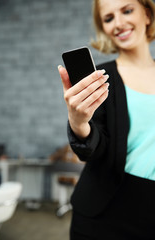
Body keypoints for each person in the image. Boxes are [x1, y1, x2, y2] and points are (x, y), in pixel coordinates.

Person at [58, 0, 155, 239]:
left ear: (147, 14)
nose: (119, 24)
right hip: (104, 213)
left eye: (127, 10)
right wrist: (79, 122)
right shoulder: (100, 79)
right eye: (108, 18)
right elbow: (93, 149)